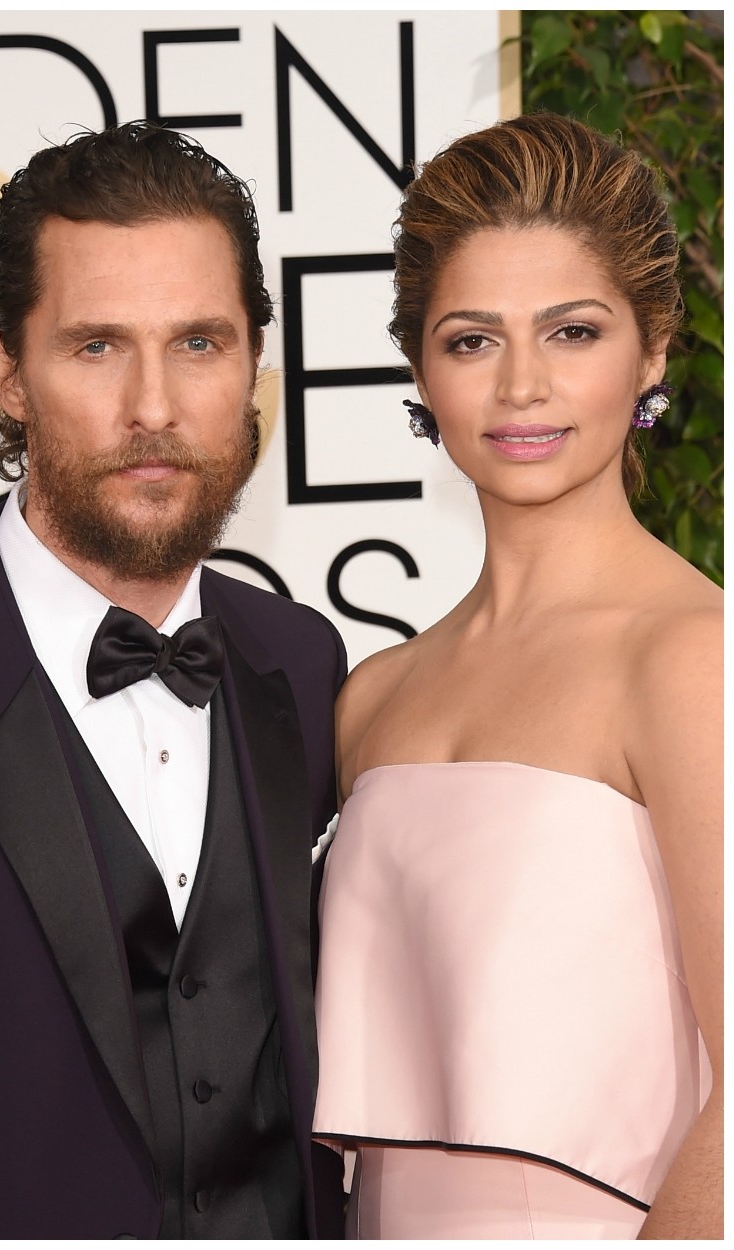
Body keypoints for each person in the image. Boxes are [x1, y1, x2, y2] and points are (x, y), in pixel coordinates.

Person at [312, 113, 722, 1239]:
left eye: (574, 332)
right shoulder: (374, 694)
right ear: (421, 371)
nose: (523, 385)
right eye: (473, 339)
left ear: (652, 351)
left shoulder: (690, 658)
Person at [0, 121, 349, 1237]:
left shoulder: (305, 665)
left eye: (200, 344)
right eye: (96, 346)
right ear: (6, 374)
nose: (155, 406)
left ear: (255, 362)